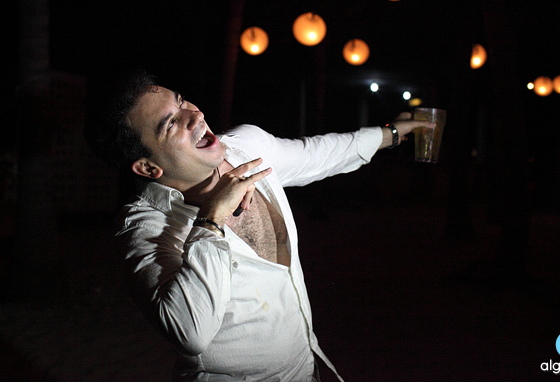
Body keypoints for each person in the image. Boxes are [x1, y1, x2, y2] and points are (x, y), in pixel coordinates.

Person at [85, 71, 434, 381]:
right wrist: (212, 217)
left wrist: (391, 134)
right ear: (148, 168)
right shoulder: (141, 227)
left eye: (182, 101)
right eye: (172, 123)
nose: (195, 115)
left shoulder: (245, 147)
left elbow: (318, 153)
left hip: (306, 368)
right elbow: (191, 331)